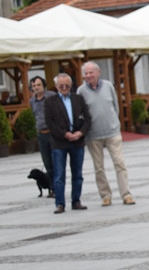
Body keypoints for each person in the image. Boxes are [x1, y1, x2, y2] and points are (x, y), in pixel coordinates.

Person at [77, 62, 136, 206]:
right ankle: (105, 195)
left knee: (119, 163)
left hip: (112, 132)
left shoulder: (108, 86)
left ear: (98, 73)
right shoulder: (81, 91)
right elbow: (80, 112)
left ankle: (126, 194)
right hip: (93, 135)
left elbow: (115, 107)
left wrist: (115, 123)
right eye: (86, 73)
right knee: (99, 167)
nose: (88, 75)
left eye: (91, 72)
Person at [44, 73, 91, 214]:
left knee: (77, 174)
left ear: (71, 86)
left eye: (67, 86)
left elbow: (88, 119)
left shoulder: (78, 99)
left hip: (77, 141)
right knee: (59, 175)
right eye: (61, 86)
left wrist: (80, 133)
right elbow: (50, 123)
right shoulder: (50, 102)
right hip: (59, 143)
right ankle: (60, 203)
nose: (64, 88)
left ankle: (76, 201)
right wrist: (64, 134)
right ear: (56, 86)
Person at [29, 76, 56, 197]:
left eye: (38, 85)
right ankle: (51, 188)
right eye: (34, 86)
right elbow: (34, 116)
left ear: (43, 85)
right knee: (47, 163)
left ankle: (57, 188)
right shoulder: (32, 101)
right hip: (41, 134)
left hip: (52, 133)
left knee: (56, 161)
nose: (36, 88)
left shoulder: (51, 96)